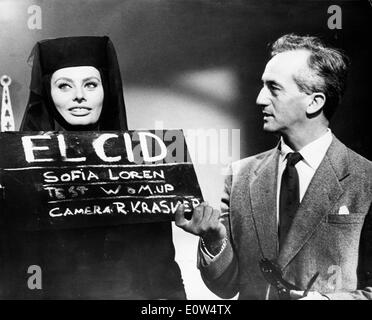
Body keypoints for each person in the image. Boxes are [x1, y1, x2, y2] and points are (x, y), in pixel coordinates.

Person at [176, 34, 372, 300]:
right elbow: (226, 287)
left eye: (274, 88)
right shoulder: (240, 177)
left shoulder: (365, 179)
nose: (259, 99)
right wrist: (214, 239)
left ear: (314, 102)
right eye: (262, 86)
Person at [1, 36, 186, 299]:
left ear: (105, 90)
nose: (79, 96)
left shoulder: (143, 159)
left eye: (90, 84)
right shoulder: (14, 175)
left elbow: (162, 275)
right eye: (64, 86)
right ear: (48, 93)